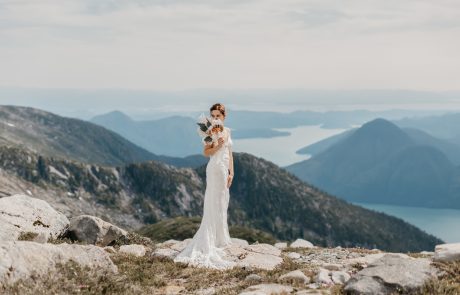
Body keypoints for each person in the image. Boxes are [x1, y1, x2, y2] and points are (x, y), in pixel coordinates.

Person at [173, 103, 236, 270]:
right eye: (213, 115)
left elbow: (230, 153)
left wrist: (232, 172)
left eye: (218, 116)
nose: (215, 118)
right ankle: (209, 239)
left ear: (224, 116)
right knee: (213, 201)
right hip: (214, 168)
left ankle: (220, 238)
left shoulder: (227, 131)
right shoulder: (208, 131)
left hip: (224, 169)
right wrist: (217, 144)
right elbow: (206, 152)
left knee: (223, 201)